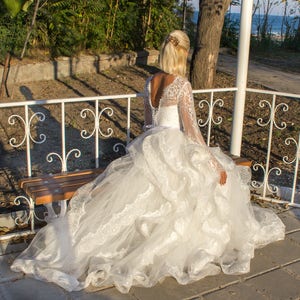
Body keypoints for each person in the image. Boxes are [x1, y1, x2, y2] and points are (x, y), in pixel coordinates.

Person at [11, 30, 285, 294]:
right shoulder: (181, 84)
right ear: (182, 54)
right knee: (213, 176)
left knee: (143, 197)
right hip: (171, 144)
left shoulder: (149, 82)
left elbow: (147, 124)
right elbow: (191, 132)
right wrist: (212, 162)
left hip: (150, 144)